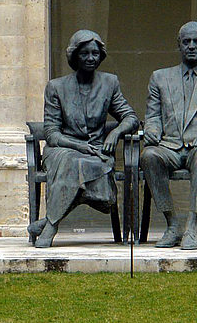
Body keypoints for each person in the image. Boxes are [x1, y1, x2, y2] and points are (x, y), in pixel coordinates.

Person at [29, 30, 139, 248]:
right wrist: (79, 145)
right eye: (85, 54)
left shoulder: (110, 83)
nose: (91, 58)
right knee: (71, 162)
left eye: (95, 54)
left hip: (95, 151)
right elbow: (51, 133)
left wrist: (115, 132)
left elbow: (131, 117)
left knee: (88, 175)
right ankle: (51, 227)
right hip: (62, 149)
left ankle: (47, 221)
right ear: (74, 56)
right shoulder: (56, 87)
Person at [140, 21, 197, 250]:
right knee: (149, 156)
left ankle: (192, 225)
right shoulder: (160, 77)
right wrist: (152, 131)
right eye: (186, 42)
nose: (191, 46)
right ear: (179, 45)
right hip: (169, 147)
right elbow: (152, 116)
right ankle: (172, 225)